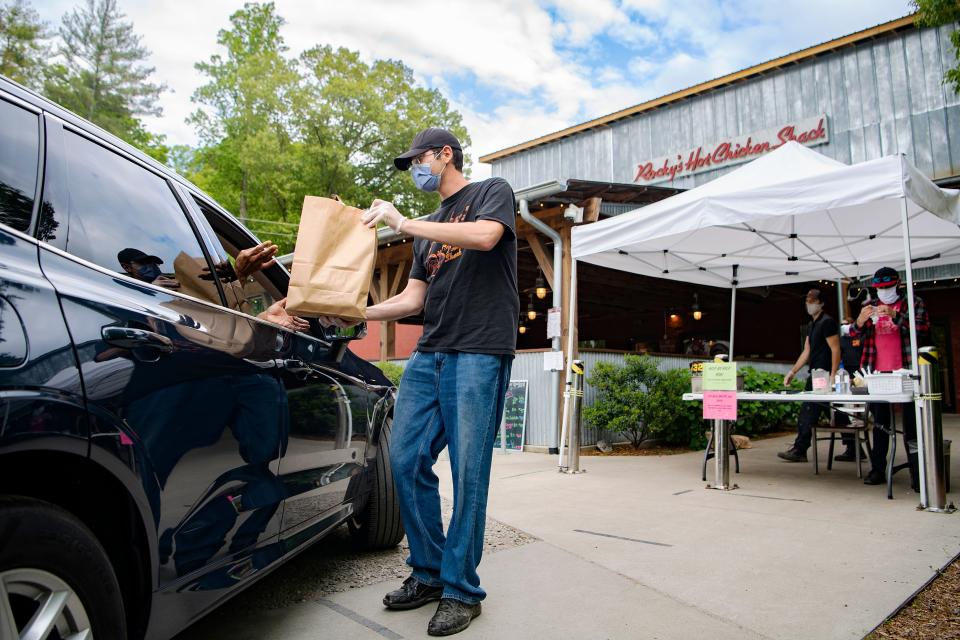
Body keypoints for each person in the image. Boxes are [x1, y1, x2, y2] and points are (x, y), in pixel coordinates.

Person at [331, 127, 517, 637]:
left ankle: (462, 590)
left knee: (468, 471)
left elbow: (485, 237)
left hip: (479, 351)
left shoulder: (490, 192)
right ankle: (430, 573)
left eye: (418, 158)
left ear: (445, 155)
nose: (415, 167)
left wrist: (403, 221)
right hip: (430, 352)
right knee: (404, 458)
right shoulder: (429, 227)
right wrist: (356, 310)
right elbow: (413, 300)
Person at [848, 267, 930, 487]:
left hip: (906, 371)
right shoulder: (869, 306)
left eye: (887, 287)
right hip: (876, 373)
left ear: (898, 284)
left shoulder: (913, 303)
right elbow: (854, 336)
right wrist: (859, 321)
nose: (884, 291)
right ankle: (877, 469)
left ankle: (917, 473)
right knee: (881, 425)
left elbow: (921, 329)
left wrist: (895, 315)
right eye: (880, 288)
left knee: (912, 425)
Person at [778, 288, 840, 462]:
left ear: (821, 303)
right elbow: (807, 351)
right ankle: (853, 445)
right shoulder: (812, 325)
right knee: (831, 410)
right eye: (808, 300)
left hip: (823, 374)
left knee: (808, 410)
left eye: (813, 301)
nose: (809, 304)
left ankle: (800, 448)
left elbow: (835, 348)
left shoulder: (827, 322)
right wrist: (793, 371)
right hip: (815, 372)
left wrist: (834, 374)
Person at [832, 314, 866, 462]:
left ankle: (856, 446)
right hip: (845, 375)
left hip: (863, 374)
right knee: (840, 410)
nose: (843, 327)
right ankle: (852, 447)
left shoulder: (862, 338)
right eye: (841, 325)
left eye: (846, 324)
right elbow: (838, 358)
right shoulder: (841, 341)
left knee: (860, 413)